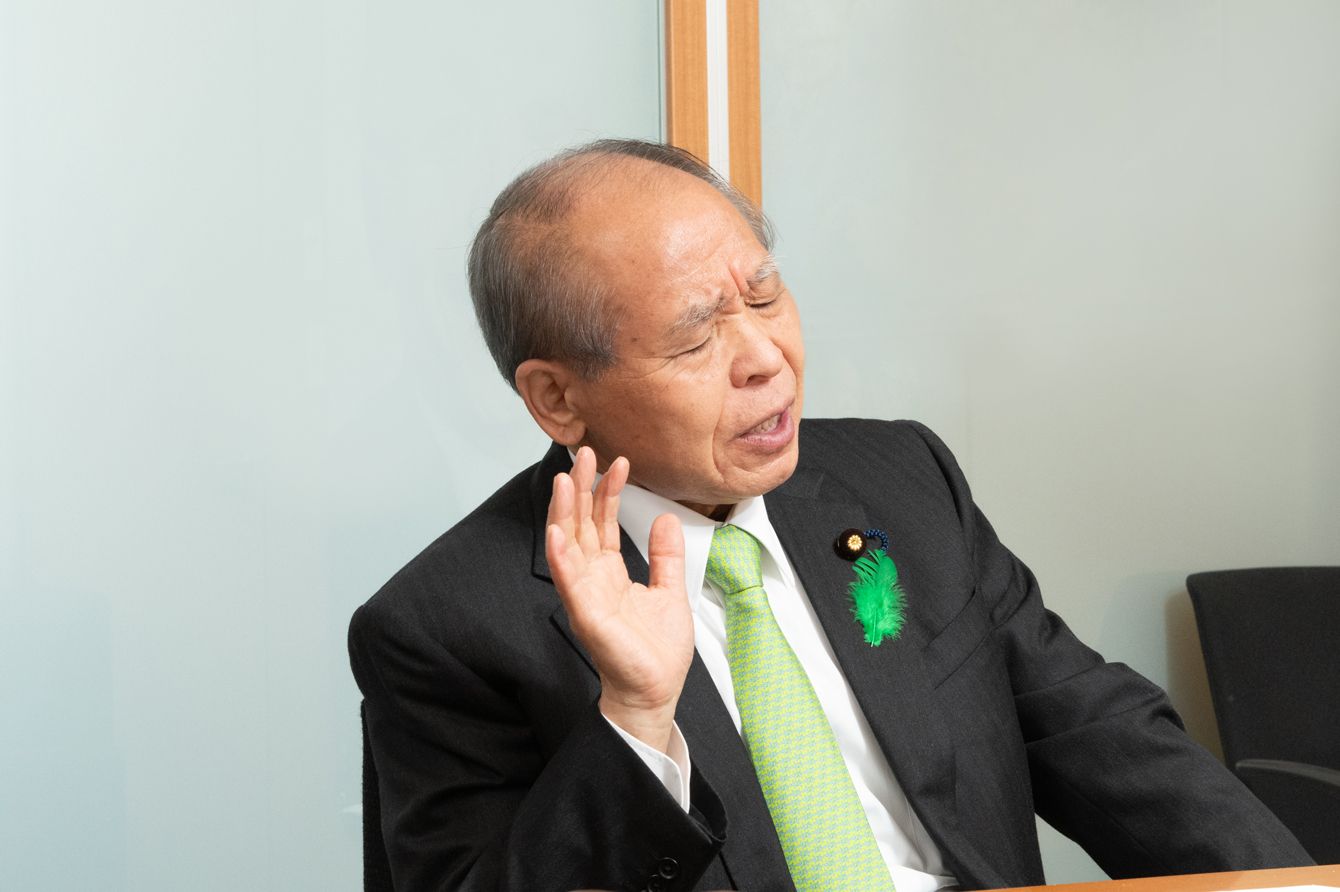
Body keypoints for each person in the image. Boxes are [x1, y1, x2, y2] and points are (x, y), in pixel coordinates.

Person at [348, 139, 1309, 892]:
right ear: (557, 398)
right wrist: (634, 717)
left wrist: (1293, 887)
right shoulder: (445, 625)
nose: (767, 358)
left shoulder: (900, 481)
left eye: (765, 296)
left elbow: (1099, 733)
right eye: (695, 339)